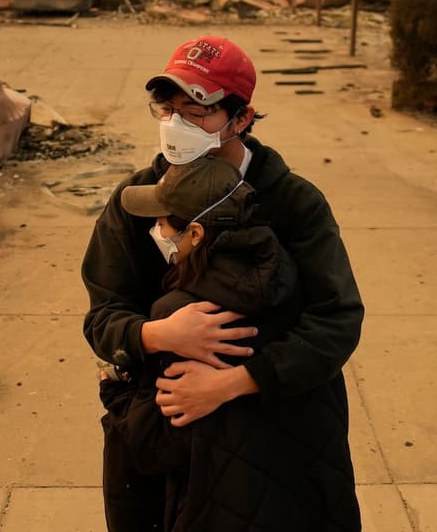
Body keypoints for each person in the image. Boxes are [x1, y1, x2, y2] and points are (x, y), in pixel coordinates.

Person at [82, 35, 364, 531]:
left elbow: (336, 322)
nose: (175, 125)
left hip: (280, 438)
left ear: (241, 118)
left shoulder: (293, 203)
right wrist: (158, 335)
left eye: (197, 111)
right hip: (166, 435)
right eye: (167, 109)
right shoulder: (134, 199)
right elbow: (104, 313)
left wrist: (229, 385)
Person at [102, 156, 300, 480]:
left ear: (195, 234)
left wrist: (114, 392)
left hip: (219, 494)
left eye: (162, 222)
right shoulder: (285, 276)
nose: (156, 230)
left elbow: (154, 443)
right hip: (287, 474)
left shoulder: (182, 316)